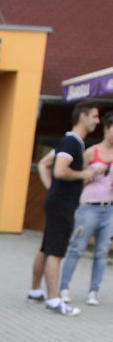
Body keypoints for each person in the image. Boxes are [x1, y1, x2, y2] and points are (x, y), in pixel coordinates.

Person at [27, 102, 102, 315]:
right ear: (83, 117)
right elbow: (59, 170)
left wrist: (53, 189)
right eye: (95, 116)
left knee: (46, 248)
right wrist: (84, 174)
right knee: (56, 252)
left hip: (58, 201)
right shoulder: (72, 142)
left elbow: (43, 163)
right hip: (63, 205)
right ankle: (53, 299)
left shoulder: (70, 142)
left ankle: (34, 291)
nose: (97, 121)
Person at [56, 109, 113, 307]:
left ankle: (93, 291)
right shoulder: (91, 152)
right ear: (107, 129)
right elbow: (77, 178)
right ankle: (63, 288)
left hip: (110, 208)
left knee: (101, 251)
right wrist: (91, 174)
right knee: (76, 248)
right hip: (89, 206)